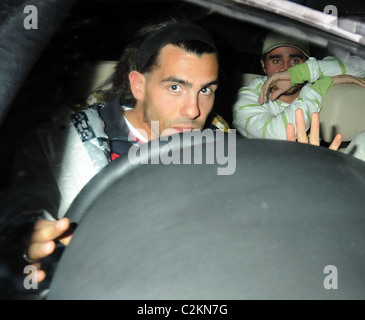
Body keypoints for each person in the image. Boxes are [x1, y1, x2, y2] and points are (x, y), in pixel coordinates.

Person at [24, 21, 344, 284]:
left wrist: (307, 196)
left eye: (206, 90)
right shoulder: (65, 144)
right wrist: (29, 250)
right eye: (175, 87)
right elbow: (23, 227)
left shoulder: (224, 147)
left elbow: (253, 234)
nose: (193, 110)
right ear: (138, 85)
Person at [232, 27, 365, 140]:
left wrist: (300, 74)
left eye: (295, 61)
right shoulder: (247, 97)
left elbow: (361, 66)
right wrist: (322, 85)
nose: (286, 68)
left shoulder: (310, 79)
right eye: (276, 61)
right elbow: (281, 135)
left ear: (307, 64)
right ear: (263, 65)